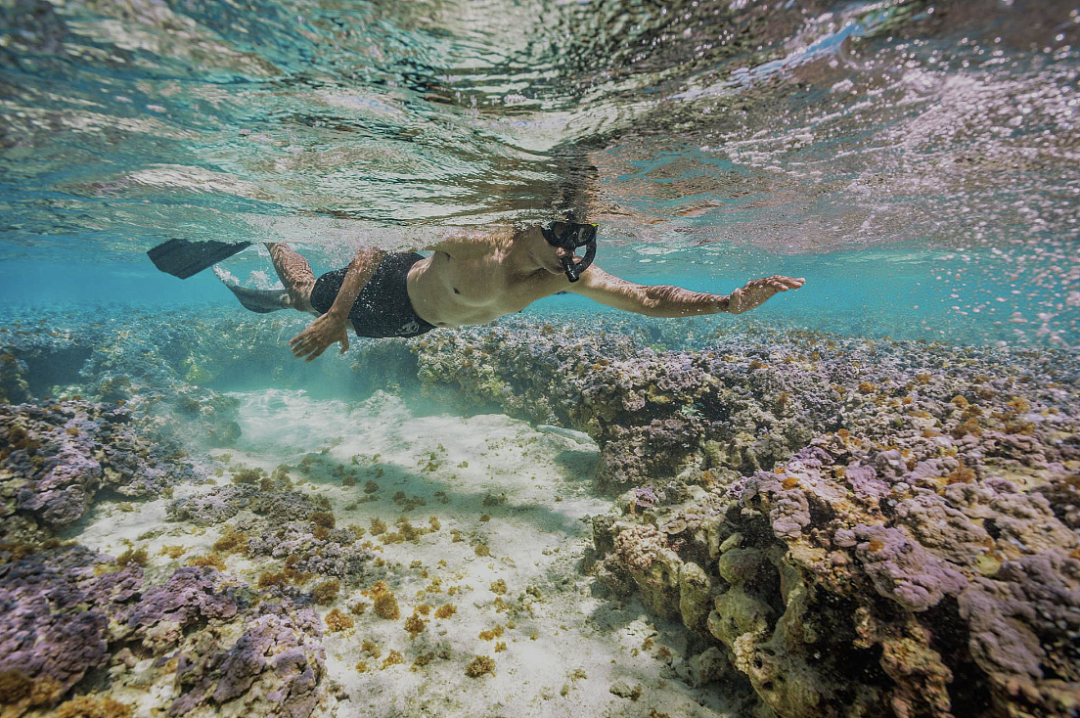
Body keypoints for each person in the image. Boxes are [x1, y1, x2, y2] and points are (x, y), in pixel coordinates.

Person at [215, 222, 805, 362]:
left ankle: (275, 294)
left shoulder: (564, 278)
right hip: (386, 288)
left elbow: (650, 297)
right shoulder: (480, 242)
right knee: (299, 294)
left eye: (585, 242)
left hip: (421, 324)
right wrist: (338, 313)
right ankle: (269, 239)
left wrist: (725, 303)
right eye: (567, 241)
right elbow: (373, 245)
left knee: (296, 302)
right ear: (540, 229)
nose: (576, 256)